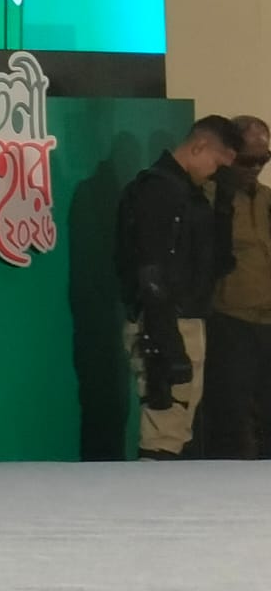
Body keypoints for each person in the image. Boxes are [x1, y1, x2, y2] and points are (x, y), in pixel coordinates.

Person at [115, 115, 243, 458]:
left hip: (182, 317)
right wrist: (166, 339)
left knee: (175, 426)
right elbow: (151, 270)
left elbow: (216, 264)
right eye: (217, 163)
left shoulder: (188, 194)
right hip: (166, 320)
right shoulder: (158, 191)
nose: (216, 173)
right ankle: (153, 491)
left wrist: (223, 206)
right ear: (199, 146)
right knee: (165, 426)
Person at [202, 115, 271, 458]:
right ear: (230, 154)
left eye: (264, 159)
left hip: (267, 323)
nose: (256, 167)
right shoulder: (209, 198)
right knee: (233, 421)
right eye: (248, 160)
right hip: (229, 322)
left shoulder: (267, 198)